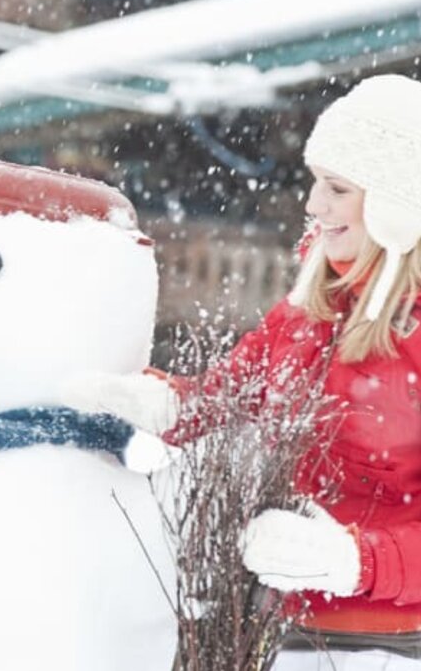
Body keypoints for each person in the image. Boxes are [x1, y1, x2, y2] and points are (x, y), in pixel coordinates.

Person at [70, 74, 421, 670]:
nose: (313, 204)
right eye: (315, 183)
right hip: (287, 631)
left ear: (397, 203)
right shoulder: (313, 309)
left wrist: (358, 560)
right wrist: (165, 405)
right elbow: (228, 395)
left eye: (337, 188)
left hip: (395, 646)